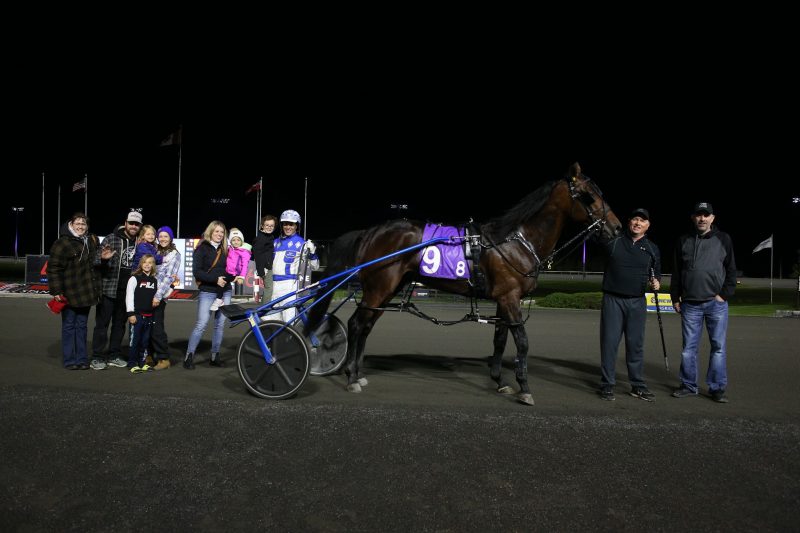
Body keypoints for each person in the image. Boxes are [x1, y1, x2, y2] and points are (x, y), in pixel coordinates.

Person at [670, 202, 737, 403]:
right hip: (690, 304)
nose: (702, 218)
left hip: (715, 304)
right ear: (693, 218)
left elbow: (731, 271)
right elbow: (676, 272)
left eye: (706, 215)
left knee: (718, 347)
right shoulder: (683, 240)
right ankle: (689, 385)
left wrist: (723, 295)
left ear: (712, 218)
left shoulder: (723, 239)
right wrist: (675, 297)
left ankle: (716, 388)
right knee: (688, 348)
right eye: (698, 215)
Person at [598, 208, 661, 402]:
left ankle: (637, 385)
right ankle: (607, 385)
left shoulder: (652, 248)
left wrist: (656, 282)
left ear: (647, 225)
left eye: (642, 220)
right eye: (635, 219)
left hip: (637, 302)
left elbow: (656, 273)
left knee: (635, 345)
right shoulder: (614, 243)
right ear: (629, 222)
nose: (638, 223)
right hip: (613, 300)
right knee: (609, 344)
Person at [47, 213, 112, 370]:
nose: (81, 226)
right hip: (69, 291)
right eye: (78, 223)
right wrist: (56, 290)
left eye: (84, 224)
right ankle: (70, 360)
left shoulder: (91, 240)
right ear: (71, 224)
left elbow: (95, 265)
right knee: (69, 325)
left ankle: (82, 359)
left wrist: (103, 259)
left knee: (82, 326)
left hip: (85, 291)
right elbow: (54, 268)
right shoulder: (62, 243)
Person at [90, 210, 142, 370]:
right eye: (131, 223)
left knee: (119, 325)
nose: (133, 226)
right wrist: (103, 259)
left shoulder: (139, 243)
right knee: (102, 324)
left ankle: (114, 354)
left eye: (137, 224)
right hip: (109, 289)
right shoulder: (111, 238)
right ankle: (97, 356)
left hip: (127, 293)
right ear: (125, 223)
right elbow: (95, 260)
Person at [185, 220, 231, 369]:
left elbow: (232, 270)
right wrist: (215, 279)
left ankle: (214, 356)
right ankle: (189, 356)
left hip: (225, 292)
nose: (219, 234)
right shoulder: (202, 248)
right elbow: (197, 272)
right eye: (217, 231)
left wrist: (230, 278)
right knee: (202, 324)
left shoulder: (227, 250)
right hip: (207, 291)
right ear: (210, 231)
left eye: (222, 232)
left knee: (220, 325)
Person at [271, 210, 319, 323]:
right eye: (285, 224)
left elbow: (315, 267)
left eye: (291, 224)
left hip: (290, 286)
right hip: (274, 286)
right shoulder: (275, 242)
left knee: (289, 322)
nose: (288, 227)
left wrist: (312, 253)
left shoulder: (302, 244)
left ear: (296, 226)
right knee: (272, 322)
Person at [150, 226, 181, 370]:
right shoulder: (154, 251)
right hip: (147, 293)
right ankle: (149, 354)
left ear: (170, 238)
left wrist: (157, 296)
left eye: (165, 236)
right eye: (160, 236)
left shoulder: (174, 254)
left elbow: (169, 277)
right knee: (146, 325)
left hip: (159, 296)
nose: (162, 239)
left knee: (157, 327)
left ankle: (163, 358)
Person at [125, 254, 157, 373]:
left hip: (149, 316)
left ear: (153, 265)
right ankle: (132, 363)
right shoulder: (135, 278)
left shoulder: (154, 280)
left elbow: (161, 295)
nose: (147, 264)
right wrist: (131, 314)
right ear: (141, 264)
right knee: (135, 340)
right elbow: (129, 297)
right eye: (145, 262)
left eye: (150, 262)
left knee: (145, 341)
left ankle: (142, 362)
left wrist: (172, 285)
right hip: (137, 315)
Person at [210, 227, 250, 311]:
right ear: (230, 241)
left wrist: (241, 277)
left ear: (241, 241)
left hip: (235, 274)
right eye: (234, 240)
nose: (236, 242)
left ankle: (219, 299)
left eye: (238, 240)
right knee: (220, 280)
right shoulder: (230, 249)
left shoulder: (244, 252)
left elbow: (245, 265)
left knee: (221, 281)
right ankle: (220, 299)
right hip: (227, 271)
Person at [252, 214, 277, 302]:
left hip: (270, 266)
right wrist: (261, 270)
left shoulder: (270, 237)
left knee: (270, 288)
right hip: (266, 268)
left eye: (271, 226)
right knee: (269, 288)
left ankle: (265, 309)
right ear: (262, 226)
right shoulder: (261, 238)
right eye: (267, 225)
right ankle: (264, 311)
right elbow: (257, 255)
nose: (269, 227)